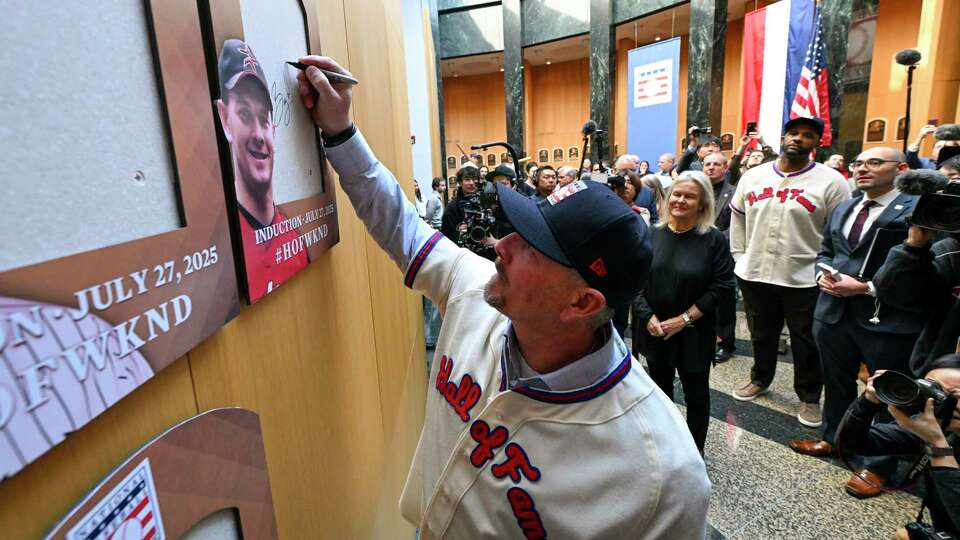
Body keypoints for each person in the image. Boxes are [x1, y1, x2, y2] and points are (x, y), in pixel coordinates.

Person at [296, 55, 711, 539]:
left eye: (534, 246)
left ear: (583, 303)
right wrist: (341, 132)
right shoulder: (476, 289)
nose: (503, 245)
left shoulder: (663, 475)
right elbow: (400, 225)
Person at [789, 147, 920, 498]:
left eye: (875, 163)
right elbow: (827, 250)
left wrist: (868, 287)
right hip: (833, 312)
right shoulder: (846, 206)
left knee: (889, 393)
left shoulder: (915, 209)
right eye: (858, 163)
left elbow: (919, 267)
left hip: (887, 317)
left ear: (902, 169)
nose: (863, 168)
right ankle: (836, 440)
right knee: (837, 382)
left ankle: (879, 466)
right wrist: (821, 273)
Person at [729, 116, 851, 428]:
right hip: (755, 272)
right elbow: (738, 220)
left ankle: (809, 397)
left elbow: (838, 233)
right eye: (793, 133)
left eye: (807, 135)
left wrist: (825, 270)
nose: (798, 139)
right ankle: (760, 378)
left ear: (817, 143)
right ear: (783, 138)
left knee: (806, 340)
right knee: (761, 333)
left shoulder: (832, 181)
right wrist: (740, 257)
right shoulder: (753, 176)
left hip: (804, 276)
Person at [634, 171, 735, 453]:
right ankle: (667, 448)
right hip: (656, 330)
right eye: (676, 194)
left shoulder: (713, 240)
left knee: (696, 395)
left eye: (689, 196)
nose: (680, 200)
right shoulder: (652, 233)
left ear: (702, 204)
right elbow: (636, 280)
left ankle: (694, 452)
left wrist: (684, 319)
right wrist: (648, 317)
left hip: (694, 332)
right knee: (660, 393)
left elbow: (722, 286)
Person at [216, 39, 308, 302]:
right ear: (225, 120)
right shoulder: (224, 250)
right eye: (244, 114)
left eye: (263, 118)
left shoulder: (295, 240)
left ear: (274, 130)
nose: (258, 134)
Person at [836, 356, 960, 538]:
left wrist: (936, 445)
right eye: (932, 389)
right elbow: (850, 443)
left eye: (954, 395)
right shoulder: (939, 428)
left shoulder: (936, 435)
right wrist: (867, 403)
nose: (937, 401)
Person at [702, 153, 737, 363]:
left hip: (723, 252)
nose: (711, 167)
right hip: (697, 251)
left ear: (725, 168)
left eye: (716, 164)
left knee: (724, 300)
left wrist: (713, 240)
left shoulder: (734, 192)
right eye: (707, 164)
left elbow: (738, 227)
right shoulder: (697, 190)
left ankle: (726, 343)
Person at [440, 163, 480, 243]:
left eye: (474, 179)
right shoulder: (452, 207)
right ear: (460, 182)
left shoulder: (485, 201)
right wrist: (459, 232)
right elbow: (447, 235)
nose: (471, 183)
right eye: (467, 179)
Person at [614, 155, 659, 222]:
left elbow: (654, 221)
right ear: (615, 170)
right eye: (623, 170)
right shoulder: (605, 189)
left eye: (632, 170)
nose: (628, 173)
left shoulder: (647, 193)